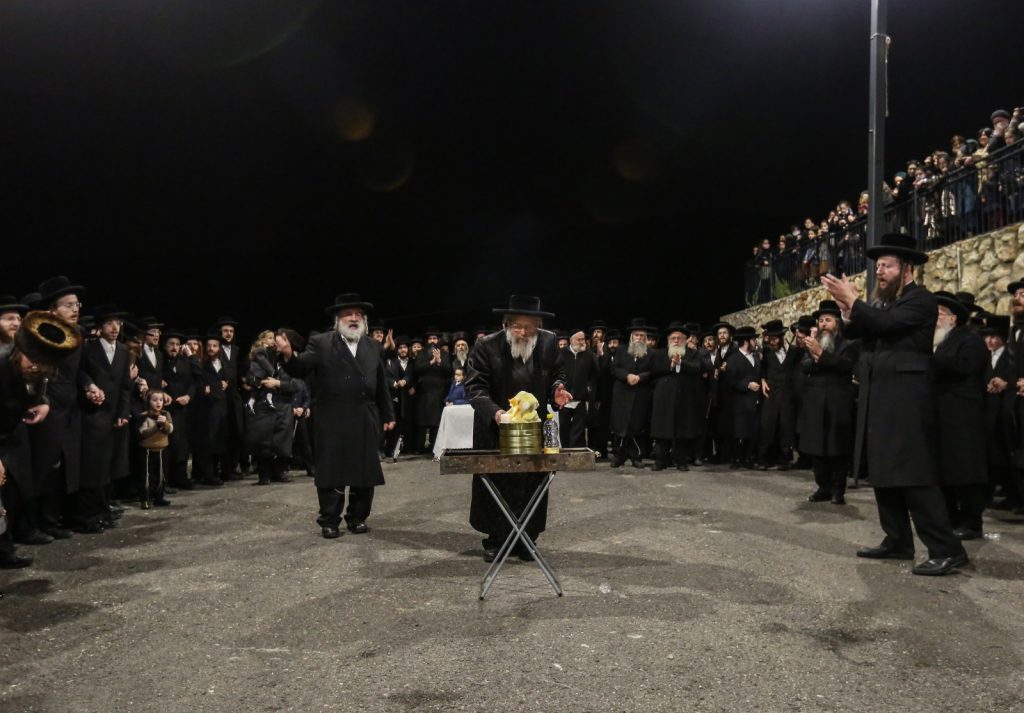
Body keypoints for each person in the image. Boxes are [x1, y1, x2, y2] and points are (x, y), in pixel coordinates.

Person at [822, 232, 968, 575]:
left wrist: (854, 301)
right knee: (885, 470)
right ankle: (898, 540)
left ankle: (947, 549)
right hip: (882, 396)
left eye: (887, 265)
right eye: (878, 266)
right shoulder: (885, 304)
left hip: (907, 398)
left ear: (907, 268)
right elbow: (860, 330)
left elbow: (884, 324)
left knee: (913, 472)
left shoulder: (921, 300)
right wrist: (847, 308)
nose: (880, 272)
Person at [465, 295, 571, 562]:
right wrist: (497, 414)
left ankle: (527, 539)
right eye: (517, 326)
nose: (523, 332)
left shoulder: (548, 342)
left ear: (538, 326)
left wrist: (557, 391)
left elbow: (557, 374)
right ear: (506, 323)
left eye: (529, 327)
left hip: (533, 428)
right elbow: (475, 388)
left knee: (531, 482)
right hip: (496, 427)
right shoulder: (486, 346)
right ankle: (495, 539)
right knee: (497, 483)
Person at [280, 294, 395, 539]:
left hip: (365, 416)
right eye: (347, 314)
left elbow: (381, 384)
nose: (353, 318)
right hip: (332, 418)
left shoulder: (373, 346)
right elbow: (301, 368)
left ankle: (357, 517)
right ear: (337, 319)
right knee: (332, 471)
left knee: (364, 472)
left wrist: (388, 414)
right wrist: (289, 355)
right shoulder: (321, 343)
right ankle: (329, 520)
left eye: (358, 314)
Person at [0, 311, 81, 569]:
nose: (36, 368)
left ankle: (4, 551)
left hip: (9, 436)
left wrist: (43, 403)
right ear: (19, 351)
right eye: (33, 362)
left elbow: (38, 392)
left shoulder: (34, 371)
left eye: (43, 366)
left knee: (10, 495)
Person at [931, 292, 989, 539]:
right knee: (946, 470)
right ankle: (951, 518)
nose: (934, 319)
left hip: (963, 414)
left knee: (966, 469)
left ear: (952, 319)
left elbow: (965, 367)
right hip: (942, 414)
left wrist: (931, 360)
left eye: (938, 315)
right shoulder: (940, 342)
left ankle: (972, 522)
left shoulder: (970, 340)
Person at [75, 305, 133, 533]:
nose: (115, 327)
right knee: (93, 466)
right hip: (92, 413)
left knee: (110, 464)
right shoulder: (88, 347)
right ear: (100, 327)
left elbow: (126, 385)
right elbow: (79, 373)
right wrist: (89, 386)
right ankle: (89, 514)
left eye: (118, 323)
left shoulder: (123, 350)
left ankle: (103, 509)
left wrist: (123, 412)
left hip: (113, 416)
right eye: (110, 323)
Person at [799, 301, 860, 504]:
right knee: (817, 448)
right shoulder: (813, 343)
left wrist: (821, 355)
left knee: (837, 448)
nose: (823, 324)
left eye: (828, 320)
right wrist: (817, 356)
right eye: (821, 320)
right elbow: (805, 366)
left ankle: (838, 490)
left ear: (837, 323)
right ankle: (823, 487)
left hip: (837, 403)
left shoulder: (848, 345)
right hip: (815, 403)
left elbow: (845, 366)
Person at [649, 323, 702, 471]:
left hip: (685, 398)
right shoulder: (660, 353)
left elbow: (697, 368)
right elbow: (653, 370)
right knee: (662, 431)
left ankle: (681, 461)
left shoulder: (693, 354)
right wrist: (670, 365)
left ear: (686, 340)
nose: (676, 341)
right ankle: (660, 461)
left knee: (682, 432)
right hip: (664, 399)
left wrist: (680, 363)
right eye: (673, 338)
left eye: (680, 338)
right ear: (668, 340)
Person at [610, 319, 657, 468]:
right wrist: (627, 376)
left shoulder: (651, 353)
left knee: (637, 427)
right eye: (636, 335)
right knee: (620, 426)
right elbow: (614, 369)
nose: (639, 338)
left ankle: (636, 456)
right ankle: (619, 456)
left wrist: (640, 377)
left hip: (640, 394)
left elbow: (653, 372)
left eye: (642, 336)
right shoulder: (621, 350)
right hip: (622, 393)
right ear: (631, 336)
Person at [756, 319, 802, 470]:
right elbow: (762, 369)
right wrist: (762, 380)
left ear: (782, 337)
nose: (772, 342)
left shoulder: (795, 352)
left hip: (788, 395)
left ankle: (784, 459)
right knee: (767, 426)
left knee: (785, 427)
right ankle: (763, 459)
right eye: (769, 338)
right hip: (771, 394)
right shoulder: (766, 351)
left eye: (775, 338)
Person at [723, 327, 761, 469]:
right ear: (746, 341)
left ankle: (748, 458)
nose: (755, 342)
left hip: (754, 401)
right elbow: (730, 381)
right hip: (740, 402)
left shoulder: (756, 357)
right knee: (739, 431)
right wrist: (747, 385)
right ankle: (737, 459)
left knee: (752, 431)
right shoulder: (733, 359)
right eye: (753, 339)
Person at [412, 328, 451, 454]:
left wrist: (439, 362)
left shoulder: (444, 354)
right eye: (430, 339)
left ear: (438, 340)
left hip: (439, 392)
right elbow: (417, 368)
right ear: (427, 340)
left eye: (434, 338)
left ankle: (434, 448)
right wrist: (432, 362)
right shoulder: (421, 353)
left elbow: (449, 371)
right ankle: (419, 448)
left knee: (436, 422)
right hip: (423, 392)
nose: (432, 341)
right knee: (422, 422)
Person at [556, 329, 598, 448]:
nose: (582, 342)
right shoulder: (562, 354)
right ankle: (565, 452)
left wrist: (589, 387)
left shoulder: (589, 355)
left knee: (578, 432)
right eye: (579, 339)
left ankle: (575, 454)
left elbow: (595, 374)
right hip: (564, 399)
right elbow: (554, 373)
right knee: (564, 429)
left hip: (581, 399)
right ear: (571, 341)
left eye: (583, 339)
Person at [136, 390, 173, 509]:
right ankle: (145, 499)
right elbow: (143, 433)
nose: (158, 403)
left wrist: (165, 424)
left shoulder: (165, 414)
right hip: (147, 450)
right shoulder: (144, 416)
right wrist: (157, 425)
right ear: (148, 401)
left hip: (162, 449)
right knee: (146, 476)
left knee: (161, 475)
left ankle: (159, 497)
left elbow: (170, 429)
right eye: (155, 400)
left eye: (161, 400)